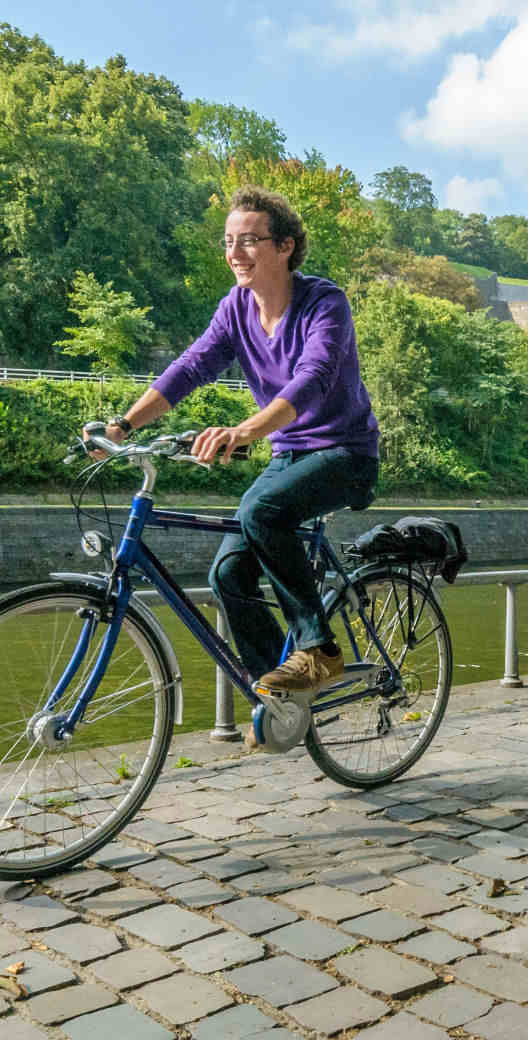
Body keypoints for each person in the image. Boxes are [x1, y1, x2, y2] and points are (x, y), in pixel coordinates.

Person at [89, 185, 380, 713]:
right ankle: (282, 699)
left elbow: (313, 379)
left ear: (285, 246)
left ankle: (318, 650)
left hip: (345, 453)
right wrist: (124, 425)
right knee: (226, 575)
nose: (233, 253)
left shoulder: (324, 303)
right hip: (291, 457)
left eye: (248, 241)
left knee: (261, 510)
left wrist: (246, 431)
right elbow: (192, 366)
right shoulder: (235, 307)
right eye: (228, 242)